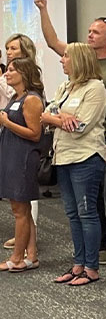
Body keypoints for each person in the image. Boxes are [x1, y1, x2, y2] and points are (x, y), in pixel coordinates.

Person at [35, 0, 106, 264]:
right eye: (88, 31)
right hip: (76, 144)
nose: (89, 34)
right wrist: (43, 9)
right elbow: (53, 41)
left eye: (96, 32)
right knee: (90, 200)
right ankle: (96, 245)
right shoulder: (76, 70)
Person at [43, 44, 106, 286]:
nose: (62, 61)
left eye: (66, 56)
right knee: (72, 214)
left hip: (86, 158)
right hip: (63, 157)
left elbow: (79, 127)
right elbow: (45, 114)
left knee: (86, 213)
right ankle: (78, 264)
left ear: (79, 60)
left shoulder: (96, 88)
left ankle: (91, 268)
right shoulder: (66, 86)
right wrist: (59, 117)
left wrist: (55, 117)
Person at [0, 57, 44, 272]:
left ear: (23, 73)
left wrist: (7, 123)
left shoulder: (31, 99)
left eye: (10, 70)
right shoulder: (17, 97)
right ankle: (31, 256)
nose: (6, 73)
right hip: (11, 156)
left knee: (20, 210)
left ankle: (17, 258)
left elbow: (35, 134)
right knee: (22, 209)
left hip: (23, 158)